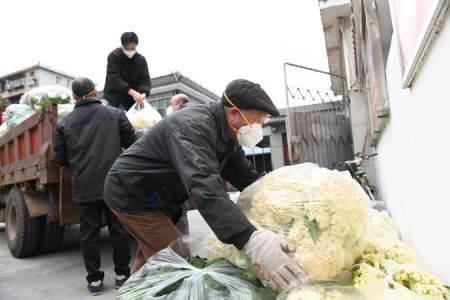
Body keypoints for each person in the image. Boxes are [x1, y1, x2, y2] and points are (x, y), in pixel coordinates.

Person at [103, 79, 305, 289]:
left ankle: (132, 293)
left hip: (160, 195)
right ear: (234, 113)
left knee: (156, 258)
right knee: (178, 261)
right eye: (256, 121)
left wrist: (283, 199)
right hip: (132, 193)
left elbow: (245, 176)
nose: (258, 128)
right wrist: (250, 239)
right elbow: (205, 187)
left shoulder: (227, 135)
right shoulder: (192, 127)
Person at [54, 77, 139, 295]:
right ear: (95, 93)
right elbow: (133, 144)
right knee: (118, 230)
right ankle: (122, 275)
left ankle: (94, 280)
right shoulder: (115, 114)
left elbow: (61, 159)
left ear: (74, 96)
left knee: (88, 234)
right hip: (114, 184)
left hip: (84, 186)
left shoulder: (64, 123)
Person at [103, 32, 152, 111]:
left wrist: (143, 93)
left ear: (136, 45)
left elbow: (145, 80)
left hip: (133, 99)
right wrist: (132, 92)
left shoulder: (141, 60)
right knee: (117, 119)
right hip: (115, 97)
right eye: (127, 49)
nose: (130, 51)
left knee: (137, 121)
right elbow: (114, 78)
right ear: (122, 45)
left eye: (132, 49)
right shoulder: (114, 56)